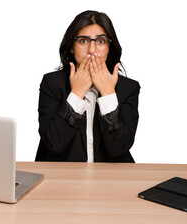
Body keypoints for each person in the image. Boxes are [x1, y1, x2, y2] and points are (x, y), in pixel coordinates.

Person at [35, 10, 140, 162]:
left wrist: (108, 93)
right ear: (72, 46)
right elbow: (54, 144)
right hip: (63, 177)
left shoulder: (128, 88)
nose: (92, 50)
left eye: (101, 41)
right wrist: (77, 92)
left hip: (112, 179)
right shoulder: (52, 83)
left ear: (109, 48)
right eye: (83, 41)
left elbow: (118, 148)